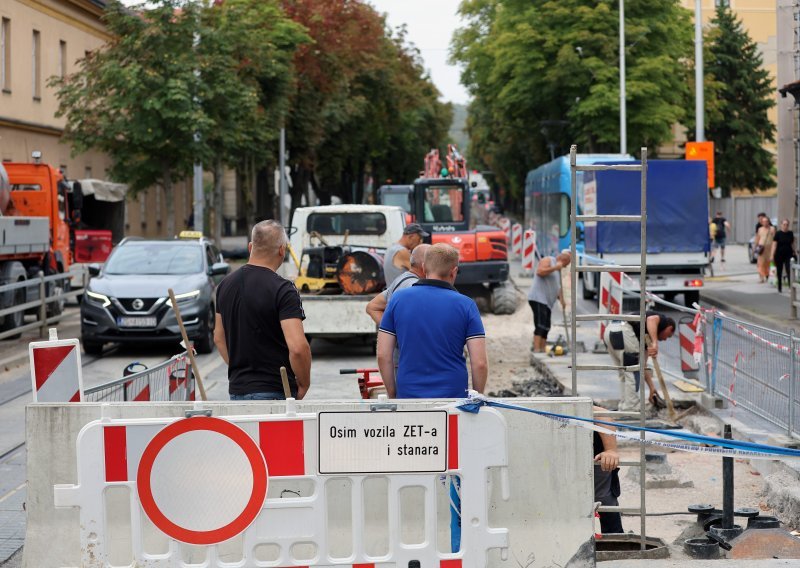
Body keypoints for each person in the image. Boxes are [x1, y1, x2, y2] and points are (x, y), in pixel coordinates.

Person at [377, 243, 487, 553]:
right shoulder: (465, 305)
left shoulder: (398, 300)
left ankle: (410, 545)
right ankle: (455, 547)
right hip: (454, 404)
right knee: (453, 475)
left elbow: (384, 355)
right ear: (454, 272)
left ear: (423, 269)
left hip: (411, 399)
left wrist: (393, 393)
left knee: (416, 468)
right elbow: (479, 362)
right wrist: (477, 396)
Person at [214, 220, 311, 400]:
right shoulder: (284, 289)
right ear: (282, 250)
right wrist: (304, 383)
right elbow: (298, 347)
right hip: (275, 390)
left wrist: (239, 370)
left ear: (251, 247)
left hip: (237, 390)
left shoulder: (224, 286)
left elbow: (219, 338)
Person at [602, 312, 675, 412]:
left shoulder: (644, 337)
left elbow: (642, 366)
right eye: (668, 336)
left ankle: (624, 405)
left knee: (624, 373)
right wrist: (654, 343)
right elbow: (651, 320)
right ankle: (631, 407)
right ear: (670, 328)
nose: (665, 339)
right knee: (632, 373)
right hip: (624, 332)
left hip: (610, 330)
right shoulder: (663, 321)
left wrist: (651, 387)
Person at [366, 244, 430, 325]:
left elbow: (372, 307)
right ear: (424, 266)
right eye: (435, 262)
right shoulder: (417, 287)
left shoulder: (400, 281)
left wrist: (391, 332)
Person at [528, 251, 571, 352]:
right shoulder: (548, 260)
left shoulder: (558, 270)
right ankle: (537, 349)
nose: (564, 267)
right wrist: (555, 267)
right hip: (538, 298)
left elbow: (557, 286)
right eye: (565, 265)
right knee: (540, 324)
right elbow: (540, 272)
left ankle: (542, 349)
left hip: (547, 302)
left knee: (547, 326)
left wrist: (562, 299)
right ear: (563, 260)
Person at [593, 406, 622, 534]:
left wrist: (610, 450)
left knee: (605, 502)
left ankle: (616, 546)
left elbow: (600, 413)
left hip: (596, 461)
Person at [772, 219, 796, 293]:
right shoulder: (778, 234)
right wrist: (772, 255)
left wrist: (794, 251)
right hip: (779, 254)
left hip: (788, 254)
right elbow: (774, 245)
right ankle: (779, 287)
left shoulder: (790, 233)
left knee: (789, 270)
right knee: (779, 271)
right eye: (784, 224)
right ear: (781, 225)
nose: (785, 226)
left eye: (787, 224)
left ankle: (790, 287)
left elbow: (792, 244)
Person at [755, 215, 776, 283]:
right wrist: (756, 247)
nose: (765, 223)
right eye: (763, 221)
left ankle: (768, 276)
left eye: (766, 221)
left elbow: (775, 239)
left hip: (769, 249)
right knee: (760, 263)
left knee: (769, 263)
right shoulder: (760, 229)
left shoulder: (772, 229)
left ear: (769, 222)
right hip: (761, 249)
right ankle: (761, 278)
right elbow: (757, 238)